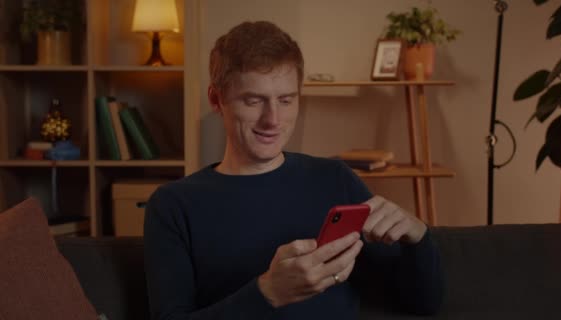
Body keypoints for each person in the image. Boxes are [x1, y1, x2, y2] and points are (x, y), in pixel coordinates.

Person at [144, 21, 443, 320]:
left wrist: (418, 237)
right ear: (216, 100)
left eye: (286, 100)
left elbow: (423, 304)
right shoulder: (173, 205)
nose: (273, 119)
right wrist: (267, 294)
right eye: (253, 100)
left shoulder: (335, 179)